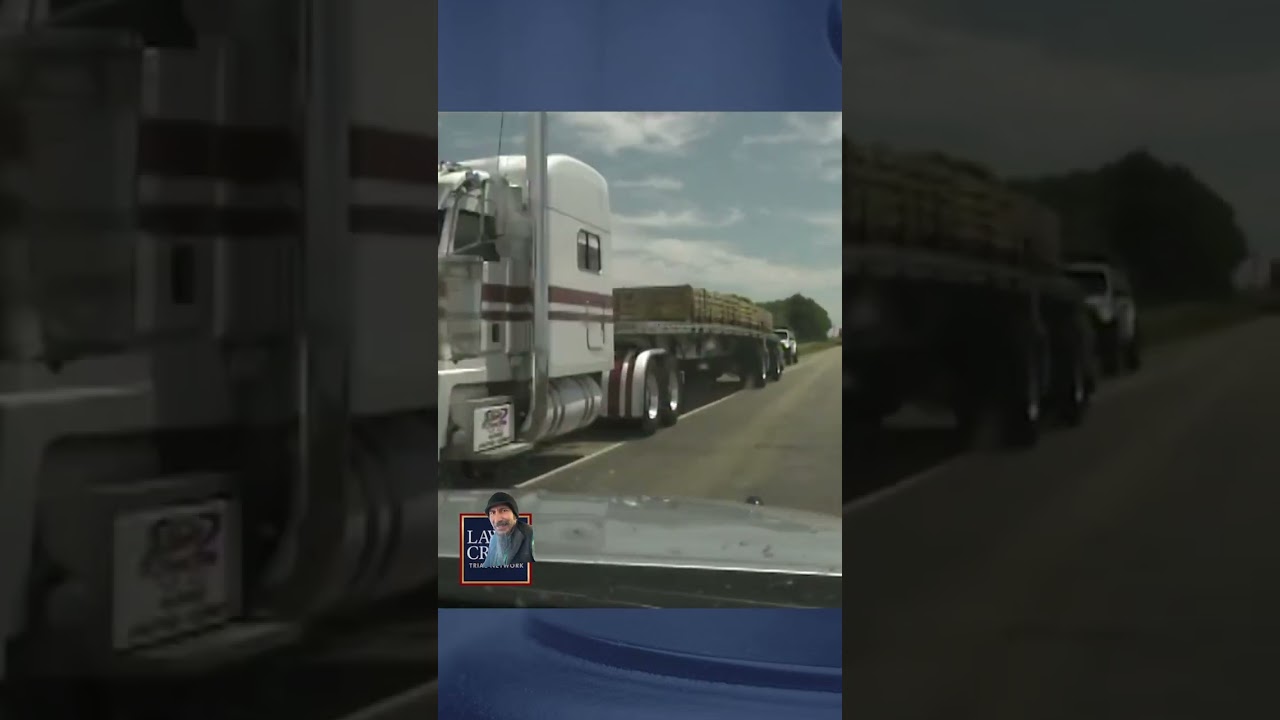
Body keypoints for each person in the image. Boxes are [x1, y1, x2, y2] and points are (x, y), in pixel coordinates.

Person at [479, 491, 534, 568]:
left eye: (504, 510)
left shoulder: (531, 535)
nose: (497, 519)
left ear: (515, 515)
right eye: (492, 513)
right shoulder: (494, 539)